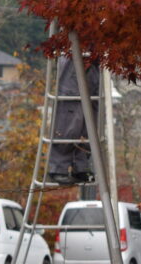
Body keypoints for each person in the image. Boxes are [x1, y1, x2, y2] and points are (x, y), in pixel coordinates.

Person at [47, 54, 100, 185]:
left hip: (96, 57)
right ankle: (58, 167)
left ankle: (81, 166)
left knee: (90, 117)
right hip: (76, 53)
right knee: (69, 115)